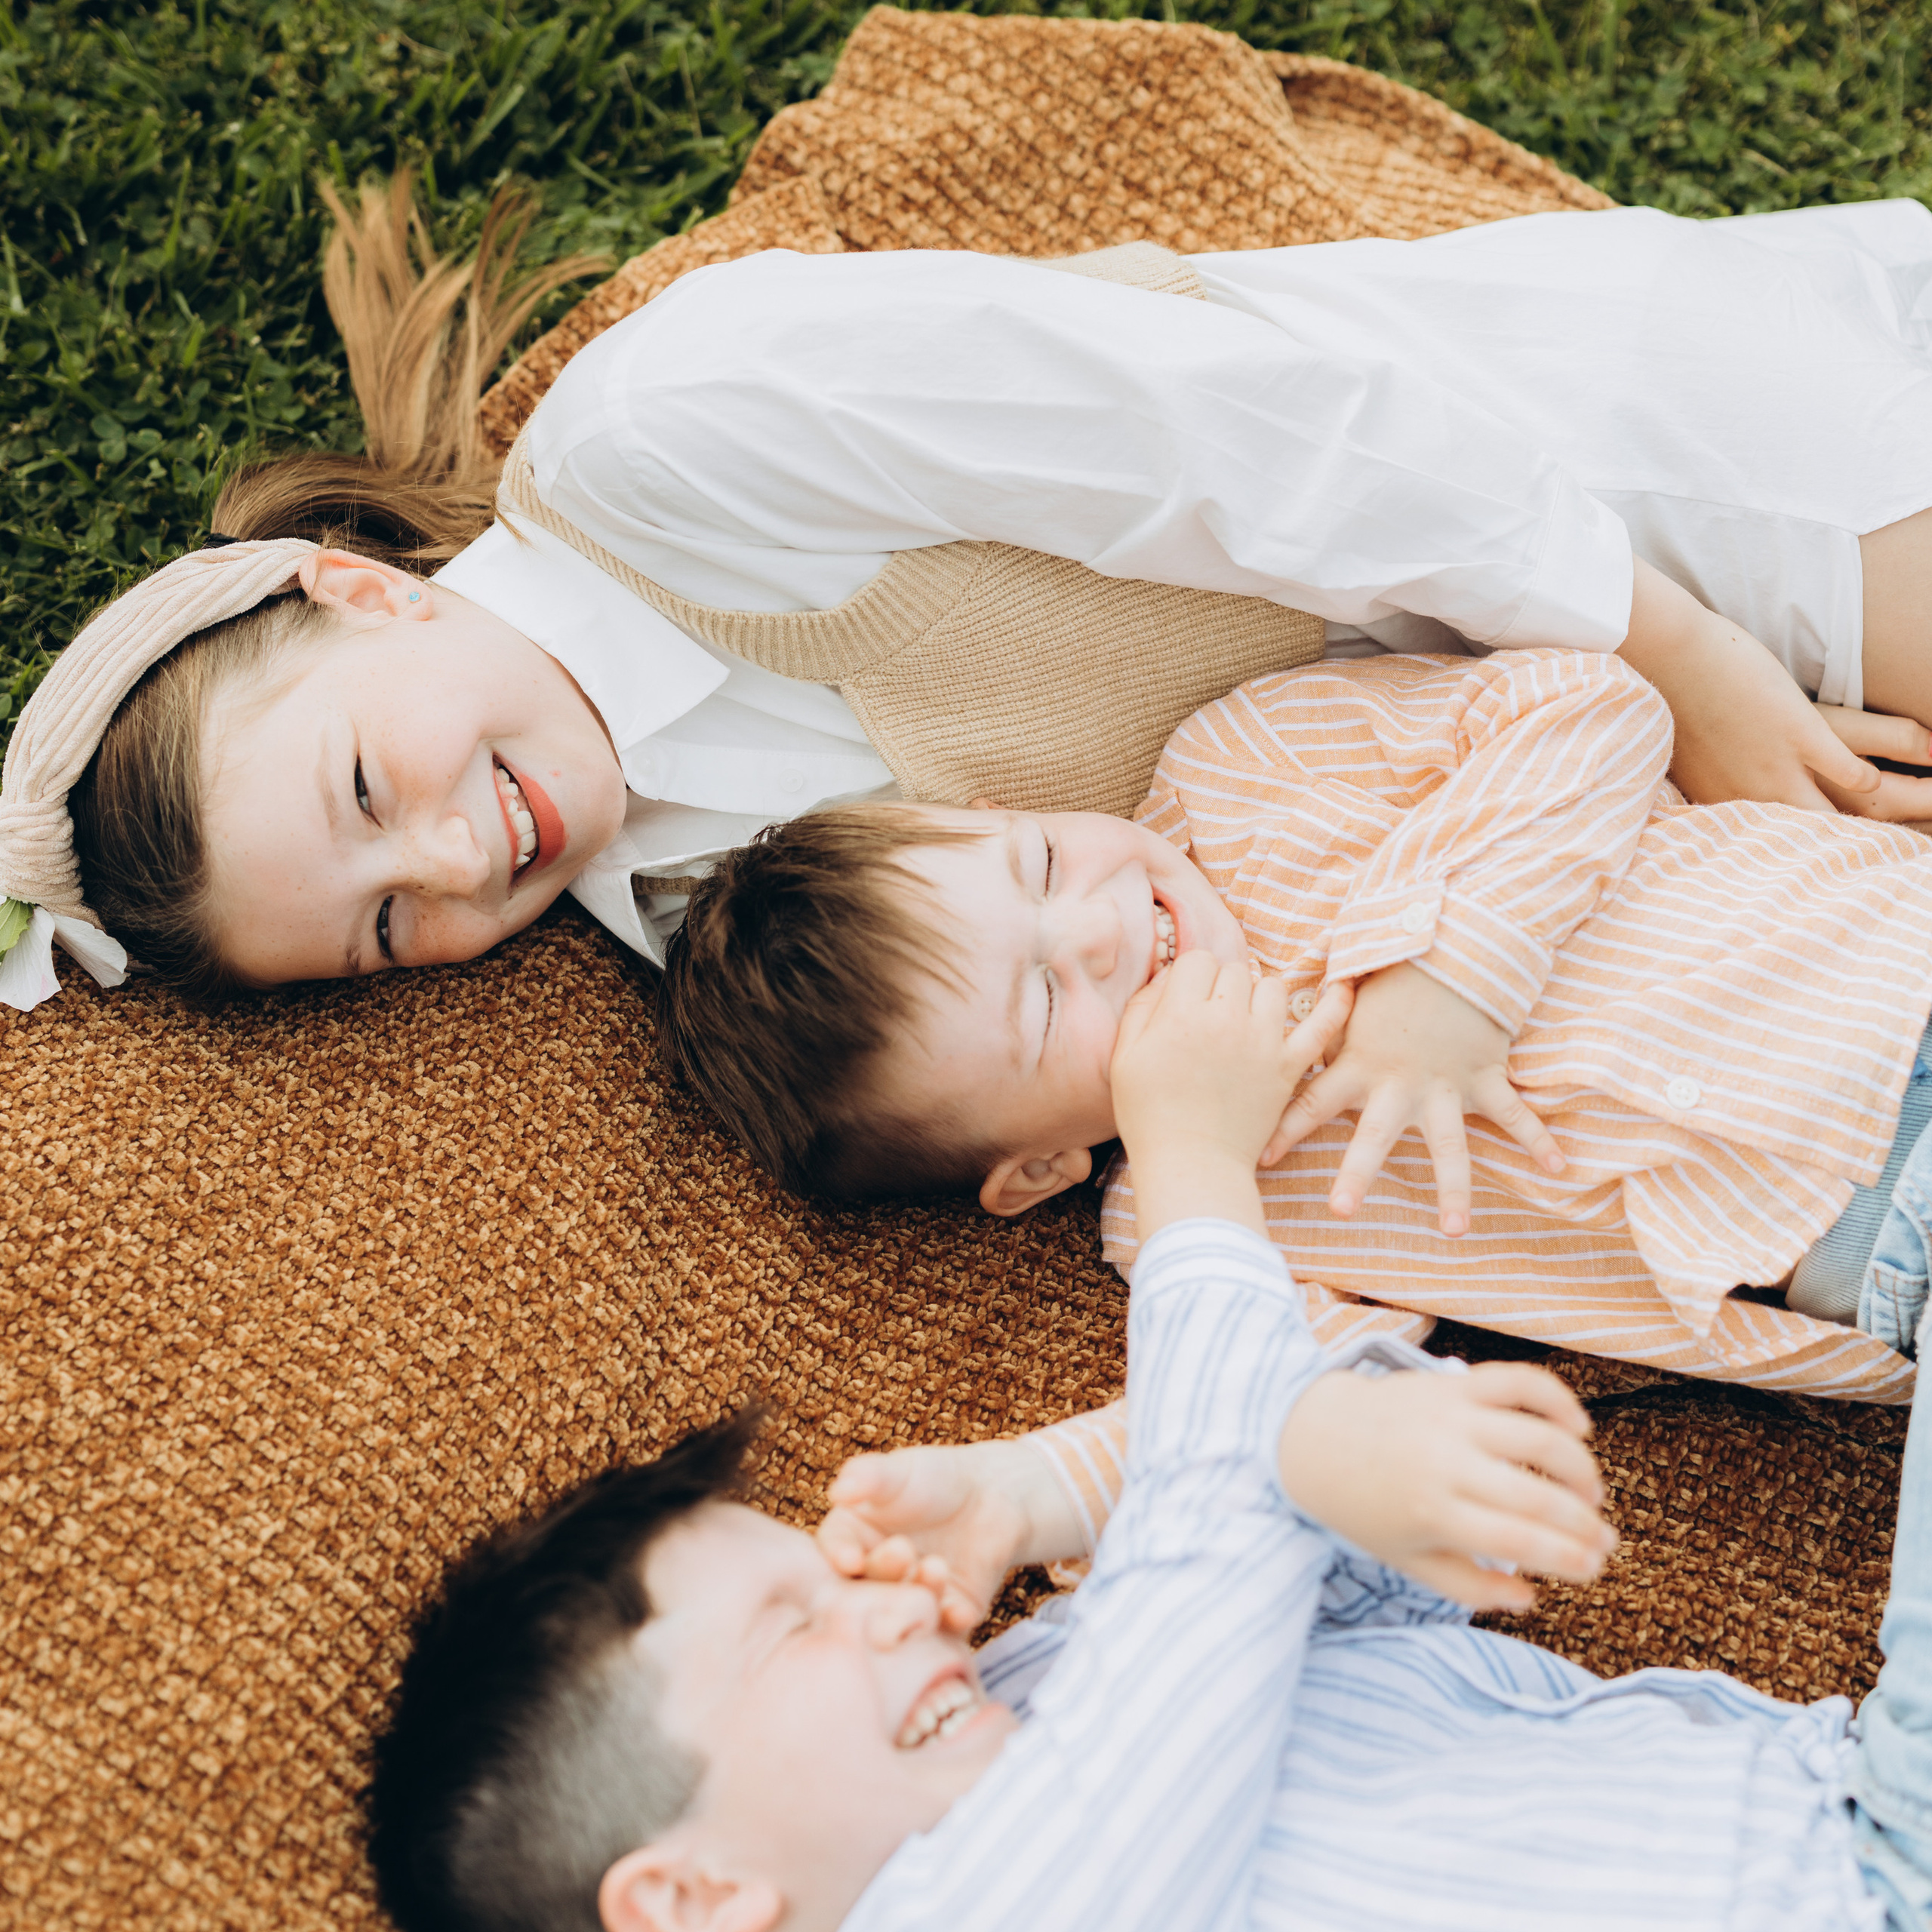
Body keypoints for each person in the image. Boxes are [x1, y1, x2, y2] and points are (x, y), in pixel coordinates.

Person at [14, 177, 1932, 1011]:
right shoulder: (689, 905)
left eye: (365, 792)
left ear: (363, 597)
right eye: (379, 931)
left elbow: (1238, 426)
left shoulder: (664, 439)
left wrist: (1667, 648)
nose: (449, 860)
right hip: (1568, 770)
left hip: (1632, 495)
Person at [365, 953, 1932, 1932]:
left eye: (830, 1572)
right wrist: (1191, 1158)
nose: (898, 1600)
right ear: (695, 1898)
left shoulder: (1034, 1689)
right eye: (795, 1624)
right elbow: (1210, 1536)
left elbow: (1307, 1541)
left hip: (1847, 1800)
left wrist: (1088, 1484)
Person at [659, 646, 1932, 1400]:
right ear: (1040, 1167)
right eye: (1044, 1001)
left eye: (1041, 864)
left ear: (1005, 805)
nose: (1096, 929)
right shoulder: (1182, 1215)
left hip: (1889, 975)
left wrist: (1448, 990)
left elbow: (1590, 705)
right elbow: (1329, 1403)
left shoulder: (1247, 764)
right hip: (1876, 1268)